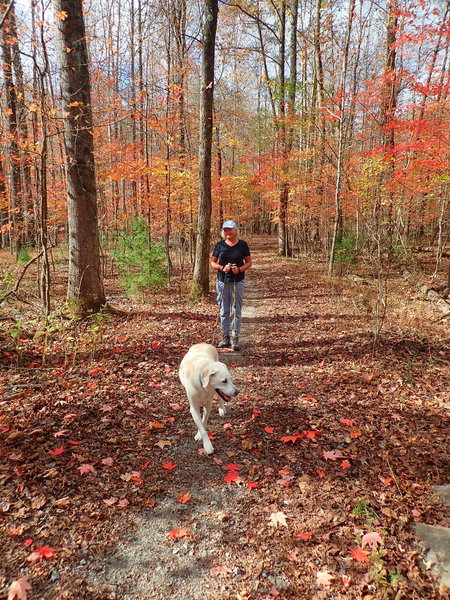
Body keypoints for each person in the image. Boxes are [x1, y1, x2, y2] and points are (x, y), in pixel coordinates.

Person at [210, 220, 252, 351]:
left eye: (230, 229)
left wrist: (239, 269)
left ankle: (235, 337)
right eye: (225, 230)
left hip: (237, 280)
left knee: (236, 309)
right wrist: (223, 267)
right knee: (224, 310)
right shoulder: (219, 245)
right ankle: (225, 336)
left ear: (235, 230)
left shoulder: (242, 245)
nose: (228, 232)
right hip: (223, 281)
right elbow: (213, 262)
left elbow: (249, 262)